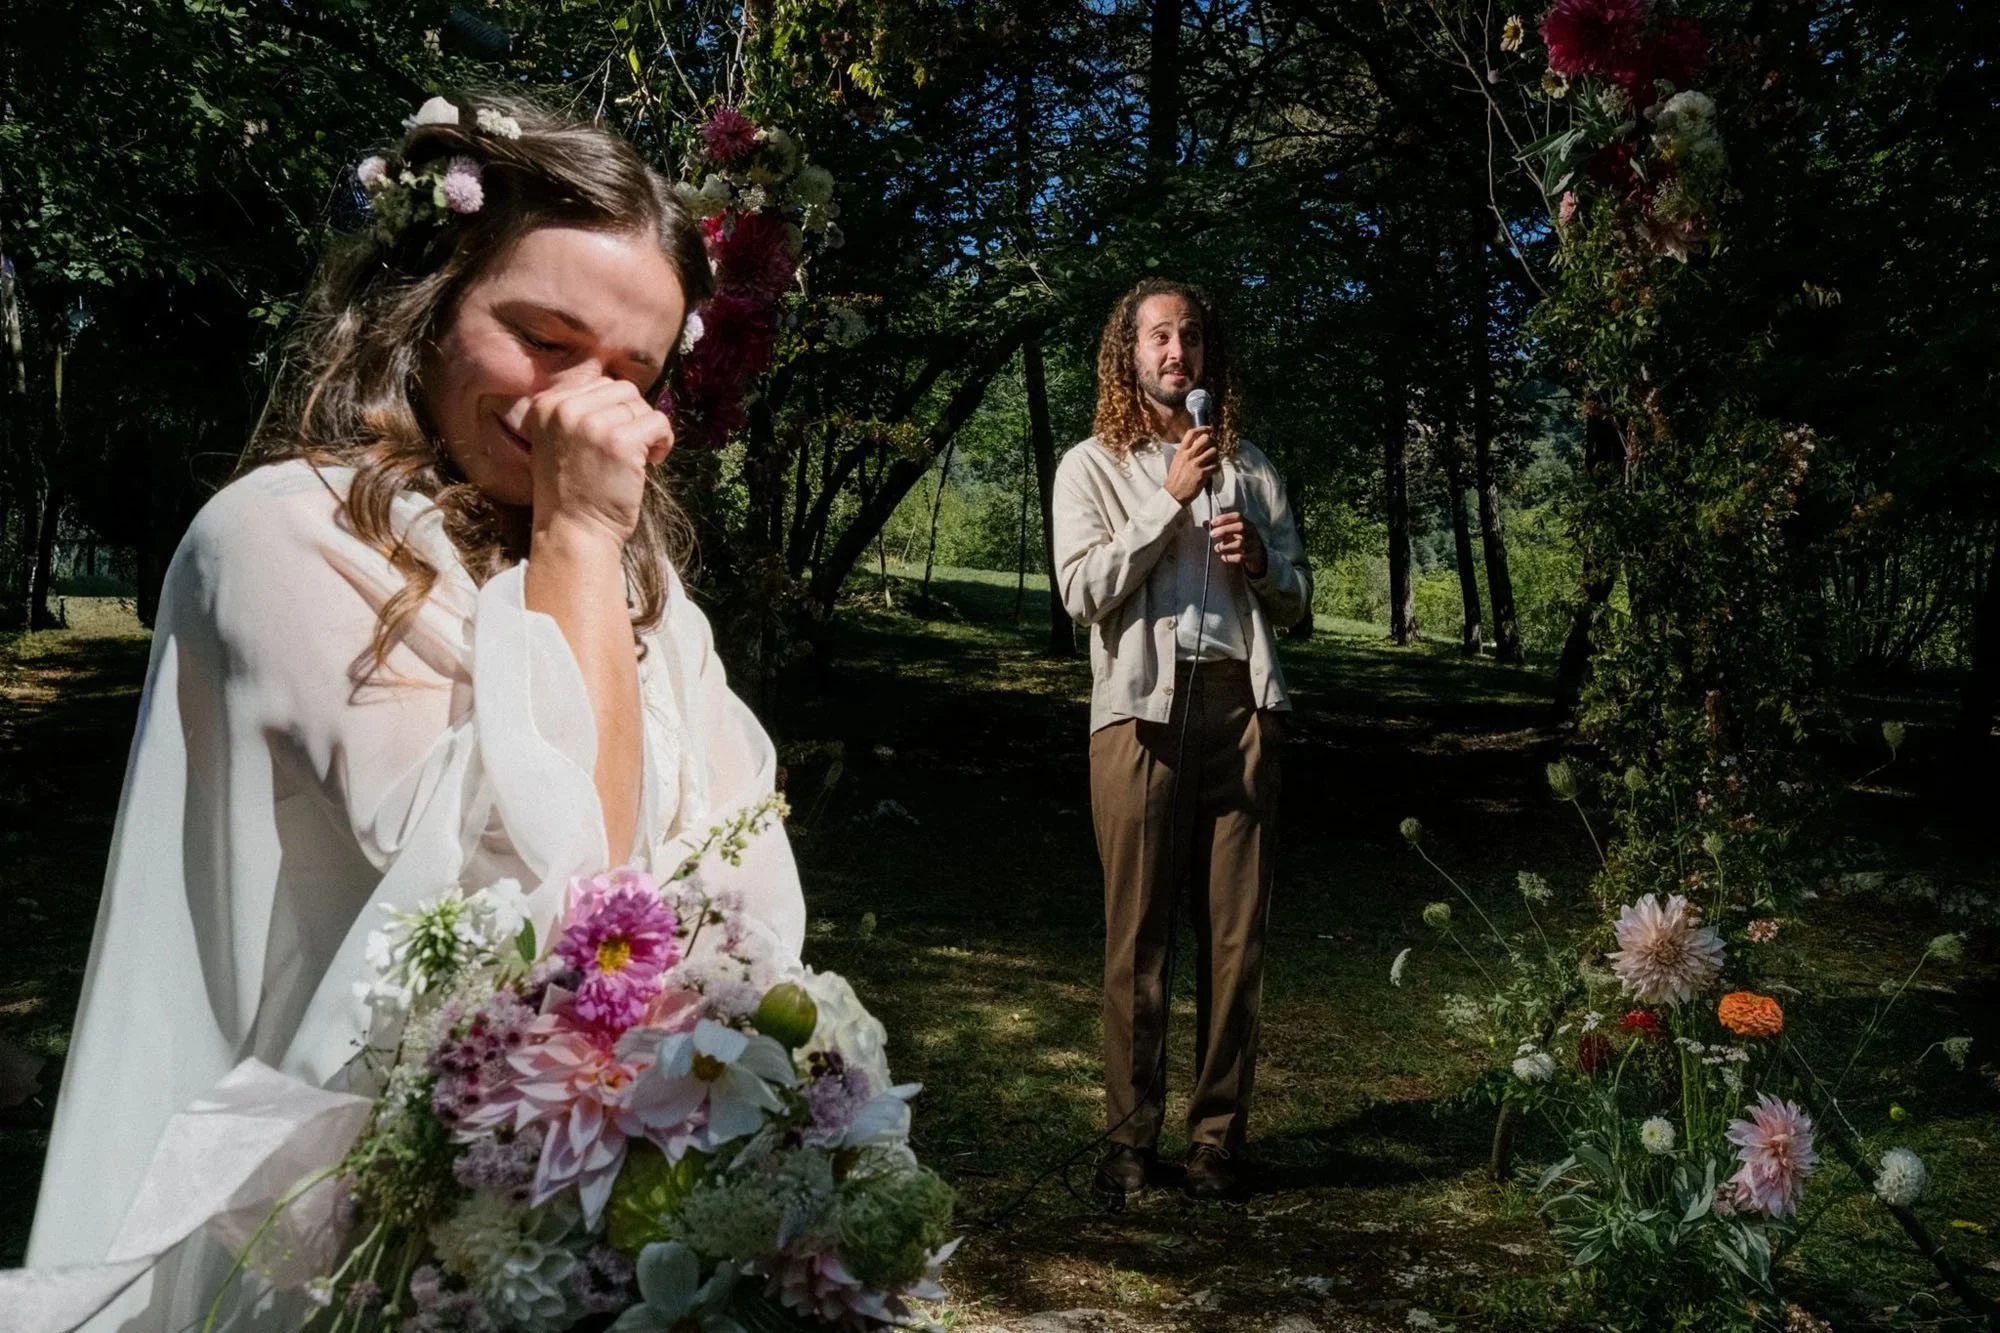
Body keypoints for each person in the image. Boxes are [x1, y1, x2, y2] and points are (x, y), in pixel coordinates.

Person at [14, 92, 804, 1331]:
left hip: (592, 1226)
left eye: (631, 376)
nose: (583, 408)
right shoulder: (282, 536)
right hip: (335, 1235)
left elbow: (736, 897)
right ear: (428, 310)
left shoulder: (651, 597)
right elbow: (550, 913)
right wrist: (584, 533)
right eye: (543, 339)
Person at [1052, 279, 1311, 1201]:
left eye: (1192, 338)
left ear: (1209, 358)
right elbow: (1083, 592)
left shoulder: (1254, 468)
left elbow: (1302, 599)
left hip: (1243, 707)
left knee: (1237, 938)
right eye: (1159, 337)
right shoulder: (1090, 466)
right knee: (1139, 939)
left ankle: (1216, 1141)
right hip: (1140, 718)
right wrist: (1166, 502)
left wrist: (1266, 565)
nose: (1177, 353)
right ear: (1130, 354)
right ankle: (1129, 1142)